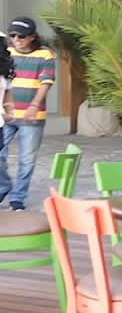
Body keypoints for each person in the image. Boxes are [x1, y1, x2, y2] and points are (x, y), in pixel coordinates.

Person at [0, 18, 54, 210]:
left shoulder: (45, 55)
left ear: (32, 37)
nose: (16, 39)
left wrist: (34, 105)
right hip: (6, 116)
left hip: (32, 117)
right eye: (12, 35)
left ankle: (18, 198)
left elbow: (46, 83)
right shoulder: (6, 53)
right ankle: (3, 186)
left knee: (27, 159)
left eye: (21, 36)